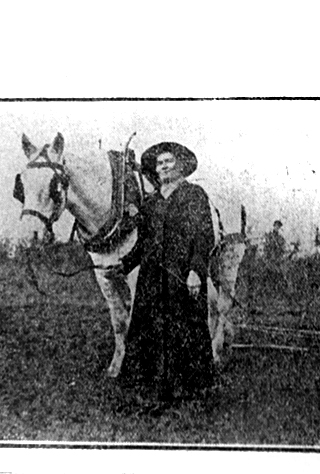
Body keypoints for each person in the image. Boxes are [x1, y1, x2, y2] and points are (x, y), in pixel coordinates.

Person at [109, 141, 216, 411]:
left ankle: (187, 390)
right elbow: (143, 243)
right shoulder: (152, 203)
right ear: (155, 170)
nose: (164, 166)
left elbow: (204, 236)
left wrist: (196, 271)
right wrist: (124, 264)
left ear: (180, 166)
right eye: (160, 163)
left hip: (183, 278)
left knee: (183, 329)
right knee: (151, 330)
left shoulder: (194, 195)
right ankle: (151, 390)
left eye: (169, 161)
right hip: (152, 279)